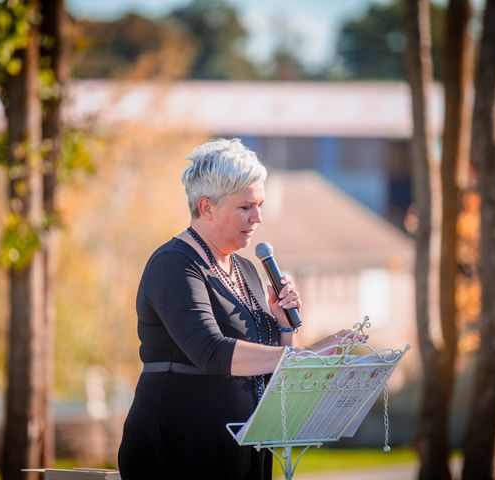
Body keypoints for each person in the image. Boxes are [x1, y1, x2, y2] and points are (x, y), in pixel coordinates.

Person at [118, 138, 357, 480]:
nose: (257, 218)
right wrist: (307, 355)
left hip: (244, 446)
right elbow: (210, 351)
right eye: (245, 208)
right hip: (181, 446)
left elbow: (275, 366)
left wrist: (284, 328)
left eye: (259, 205)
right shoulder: (173, 265)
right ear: (206, 207)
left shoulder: (246, 269)